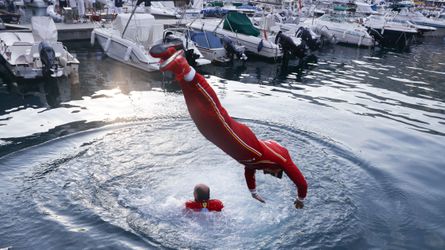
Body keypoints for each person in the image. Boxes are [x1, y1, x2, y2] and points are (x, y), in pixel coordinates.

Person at [149, 44, 308, 209]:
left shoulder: (255, 164)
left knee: (200, 117)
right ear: (277, 171)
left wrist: (253, 193)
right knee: (215, 113)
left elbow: (249, 171)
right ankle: (186, 67)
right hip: (245, 143)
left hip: (237, 146)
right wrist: (300, 200)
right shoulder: (281, 159)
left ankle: (177, 69)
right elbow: (301, 183)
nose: (266, 173)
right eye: (271, 173)